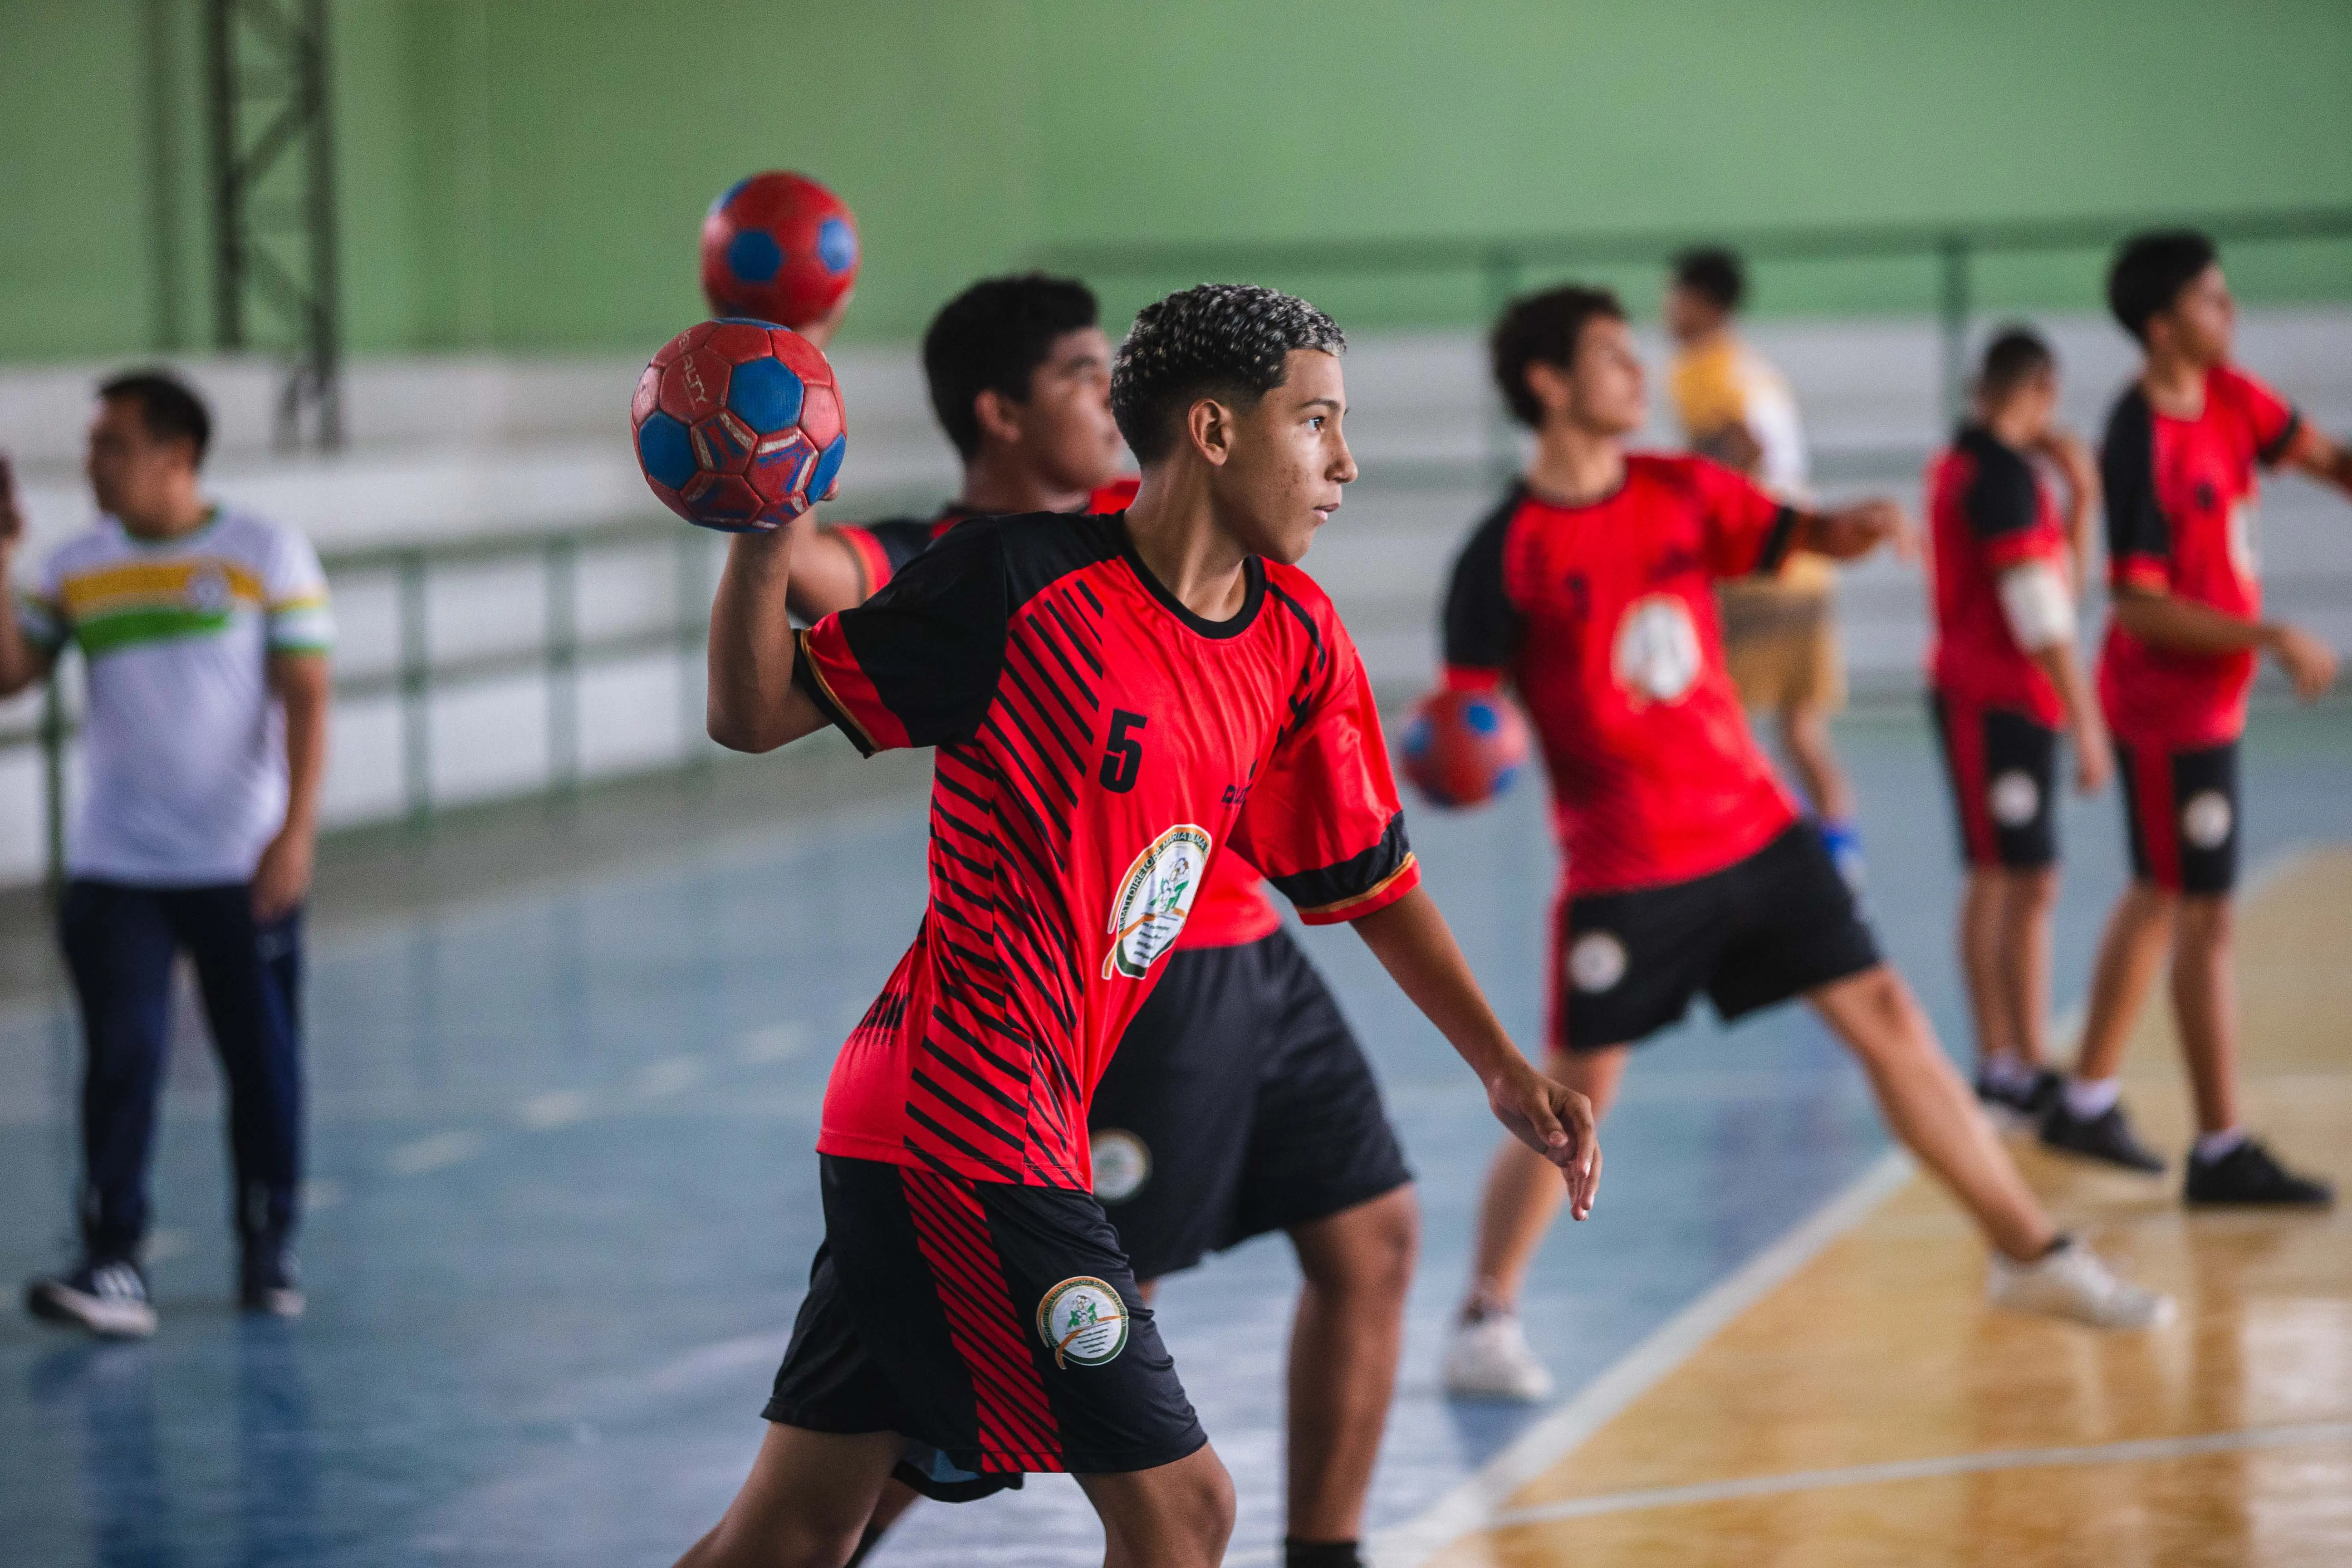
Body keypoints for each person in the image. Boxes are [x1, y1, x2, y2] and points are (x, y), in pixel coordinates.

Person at [674, 284, 1601, 1568]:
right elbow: (754, 711)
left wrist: (1501, 1066)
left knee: (793, 1531)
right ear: (1213, 432)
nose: (1344, 463)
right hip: (959, 1119)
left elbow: (1370, 881)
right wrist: (766, 526)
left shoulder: (1296, 638)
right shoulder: (1020, 582)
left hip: (993, 1121)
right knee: (1186, 1510)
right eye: (1315, 422)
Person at [788, 274, 1422, 1568]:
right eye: (1075, 373)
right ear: (1002, 412)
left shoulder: (1242, 589)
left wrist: (1504, 1069)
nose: (1102, 392)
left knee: (1371, 1235)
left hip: (1232, 960)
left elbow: (1366, 867)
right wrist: (776, 416)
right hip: (1068, 1027)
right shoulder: (985, 565)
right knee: (1113, 1423)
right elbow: (796, 600)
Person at [1437, 286, 2171, 1404]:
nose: (1637, 373)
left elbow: (1795, 533)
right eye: (1611, 357)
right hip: (1629, 865)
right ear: (1548, 384)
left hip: (1757, 827)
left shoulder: (1679, 487)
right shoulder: (1504, 555)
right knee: (1574, 1091)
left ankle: (2030, 1252)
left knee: (1890, 1019)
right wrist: (1457, 752)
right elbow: (1465, 714)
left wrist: (1855, 527)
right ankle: (1484, 1315)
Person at [2, 371, 333, 1338]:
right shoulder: (76, 567)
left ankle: (269, 1239)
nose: (92, 463)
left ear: (176, 456)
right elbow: (11, 676)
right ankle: (113, 1260)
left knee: (261, 1061)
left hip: (239, 862)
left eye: (112, 444)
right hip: (118, 867)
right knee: (121, 1057)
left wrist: (294, 832)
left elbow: (308, 697)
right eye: (91, 445)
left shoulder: (263, 552)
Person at [2041, 231, 2351, 1202]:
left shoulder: (2233, 398)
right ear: (2163, 328)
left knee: (2162, 895)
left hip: (2211, 705)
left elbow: (2329, 460)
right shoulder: (2138, 437)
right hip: (2166, 711)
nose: (2233, 312)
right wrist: (2272, 636)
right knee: (2203, 912)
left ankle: (2087, 1097)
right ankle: (2219, 1148)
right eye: (2213, 301)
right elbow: (2137, 605)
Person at [1922, 328, 2112, 1127]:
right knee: (2006, 875)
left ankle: (2020, 1058)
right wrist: (2089, 720)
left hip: (2015, 699)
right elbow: (2041, 614)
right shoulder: (1993, 476)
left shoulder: (1994, 471)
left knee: (2024, 876)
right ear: (2040, 391)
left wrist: (2084, 500)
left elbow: (2061, 591)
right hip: (1989, 699)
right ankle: (2008, 1062)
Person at [1665, 247, 1865, 885]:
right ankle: (1842, 858)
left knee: (1720, 724)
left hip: (1758, 563)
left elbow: (1744, 448)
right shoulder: (1751, 366)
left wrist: (1709, 507)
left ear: (1704, 304)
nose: (1667, 309)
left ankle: (1752, 857)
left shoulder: (1700, 369)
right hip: (1803, 555)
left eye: (1675, 296)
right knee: (1801, 729)